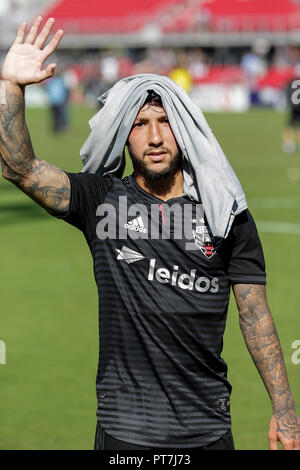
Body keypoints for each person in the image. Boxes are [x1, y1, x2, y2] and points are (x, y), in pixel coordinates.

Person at [0, 17, 299, 451]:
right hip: (125, 432)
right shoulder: (101, 201)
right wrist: (12, 85)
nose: (155, 137)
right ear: (124, 135)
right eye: (140, 124)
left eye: (164, 121)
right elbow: (19, 167)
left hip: (208, 431)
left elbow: (254, 316)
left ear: (183, 129)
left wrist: (285, 409)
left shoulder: (225, 213)